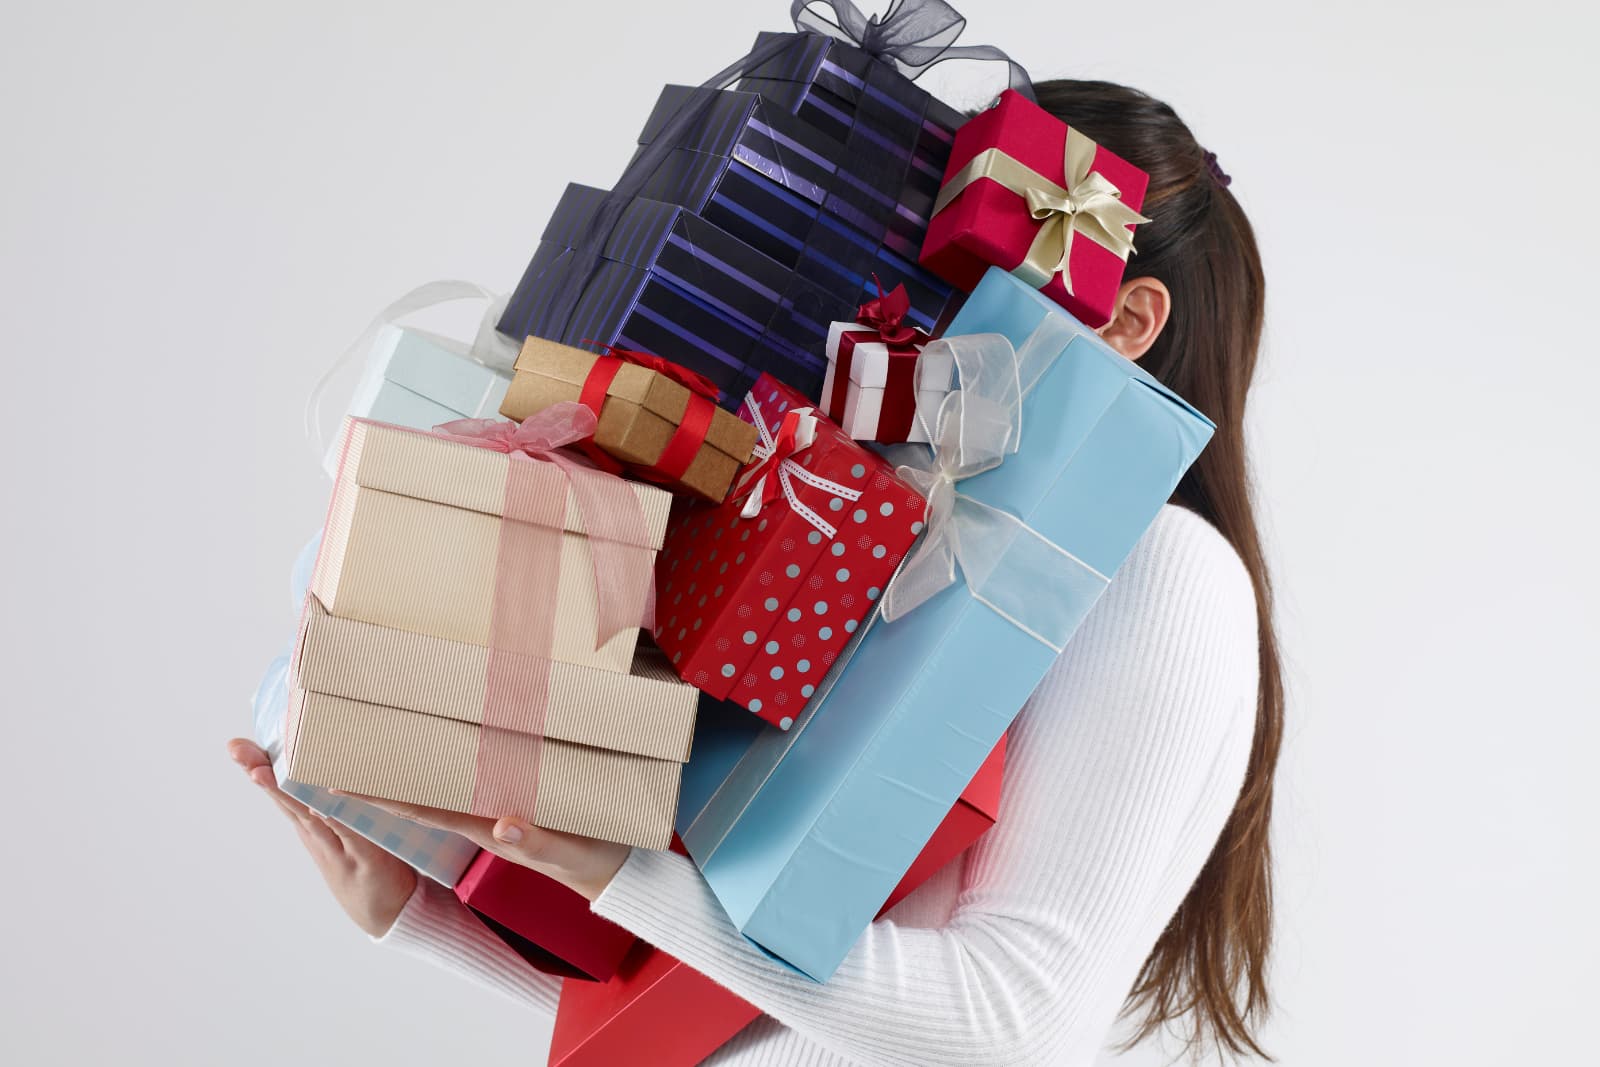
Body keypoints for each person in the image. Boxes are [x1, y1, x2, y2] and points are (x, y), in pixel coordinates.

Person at [228, 78, 1282, 1065]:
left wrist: (606, 864)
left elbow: (1003, 1023)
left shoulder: (1165, 572)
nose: (901, 311)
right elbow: (756, 1006)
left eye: (965, 276)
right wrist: (417, 909)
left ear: (1129, 320)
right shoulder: (900, 524)